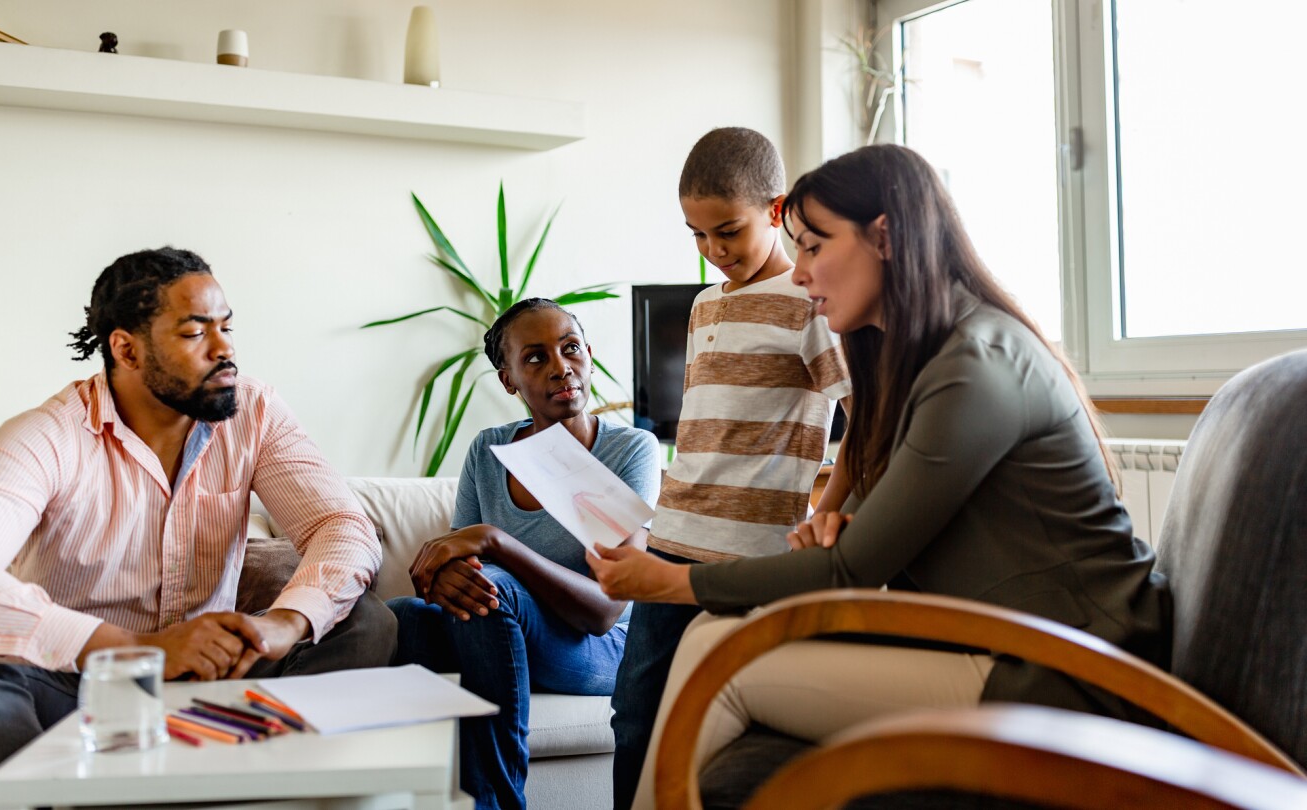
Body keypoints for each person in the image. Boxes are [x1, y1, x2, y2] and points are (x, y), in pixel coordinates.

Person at [588, 144, 1171, 809]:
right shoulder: (924, 358)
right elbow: (860, 534)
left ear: (886, 237)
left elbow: (850, 572)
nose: (801, 274)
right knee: (711, 636)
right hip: (1003, 642)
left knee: (723, 672)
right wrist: (836, 522)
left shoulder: (975, 365)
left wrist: (674, 580)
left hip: (1065, 675)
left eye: (812, 247)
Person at [0, 247, 396, 810]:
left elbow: (341, 525)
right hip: (75, 687)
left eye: (226, 327)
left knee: (364, 620)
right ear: (126, 348)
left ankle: (248, 787)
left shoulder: (255, 412)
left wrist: (284, 622)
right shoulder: (48, 436)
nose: (225, 349)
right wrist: (134, 648)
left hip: (216, 683)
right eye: (194, 332)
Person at [609, 127, 852, 809]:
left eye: (728, 232)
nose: (714, 252)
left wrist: (834, 504)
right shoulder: (702, 305)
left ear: (775, 212)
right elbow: (704, 430)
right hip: (669, 544)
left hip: (753, 561)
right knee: (634, 717)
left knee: (723, 729)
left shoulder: (811, 304)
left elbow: (863, 413)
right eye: (696, 235)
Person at [387, 298, 661, 810]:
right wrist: (449, 572)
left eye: (571, 348)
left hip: (602, 649)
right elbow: (458, 568)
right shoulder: (488, 451)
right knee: (403, 616)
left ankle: (497, 803)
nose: (560, 367)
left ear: (590, 356)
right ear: (508, 379)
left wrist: (498, 543)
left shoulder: (630, 449)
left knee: (495, 592)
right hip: (505, 629)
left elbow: (606, 610)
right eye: (535, 358)